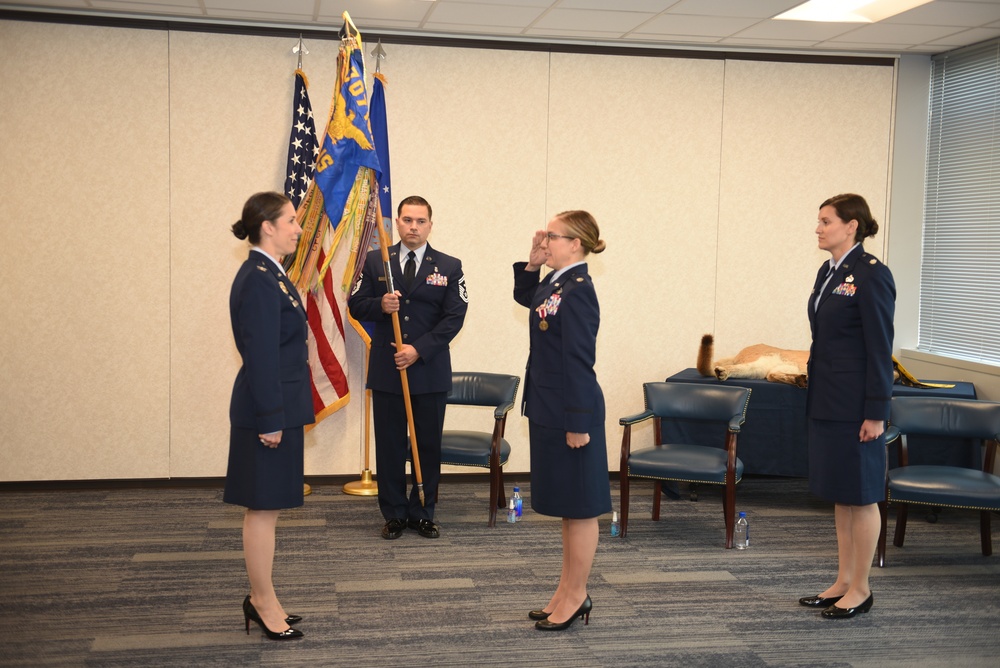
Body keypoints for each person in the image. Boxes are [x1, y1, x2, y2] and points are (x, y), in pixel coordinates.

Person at [513, 210, 612, 631]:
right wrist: (531, 266)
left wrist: (577, 422)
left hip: (573, 410)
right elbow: (530, 304)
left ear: (576, 243)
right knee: (569, 508)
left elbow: (578, 360)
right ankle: (565, 590)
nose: (546, 239)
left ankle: (577, 594)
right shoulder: (556, 283)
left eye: (553, 236)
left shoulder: (579, 290)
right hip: (551, 406)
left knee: (582, 507)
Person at [348, 195, 468, 540]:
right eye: (407, 220)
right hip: (388, 371)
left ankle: (423, 512)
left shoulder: (449, 266)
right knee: (388, 446)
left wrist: (419, 349)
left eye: (420, 221)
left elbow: (454, 316)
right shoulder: (375, 261)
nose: (413, 227)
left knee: (427, 445)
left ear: (430, 224)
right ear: (396, 223)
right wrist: (379, 305)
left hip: (428, 370)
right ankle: (395, 514)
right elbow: (355, 304)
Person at [800, 193, 895, 619]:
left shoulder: (872, 274)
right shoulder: (828, 270)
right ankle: (842, 580)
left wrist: (876, 411)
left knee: (863, 495)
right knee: (842, 495)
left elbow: (880, 348)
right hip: (828, 398)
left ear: (851, 225)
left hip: (858, 405)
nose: (818, 228)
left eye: (826, 221)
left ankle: (861, 587)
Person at [224, 191, 313, 640]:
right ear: (268, 227)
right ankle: (260, 601)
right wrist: (271, 417)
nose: (299, 228)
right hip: (267, 410)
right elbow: (259, 354)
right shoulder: (259, 278)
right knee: (262, 510)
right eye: (292, 221)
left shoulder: (272, 274)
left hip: (278, 404)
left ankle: (267, 597)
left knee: (270, 507)